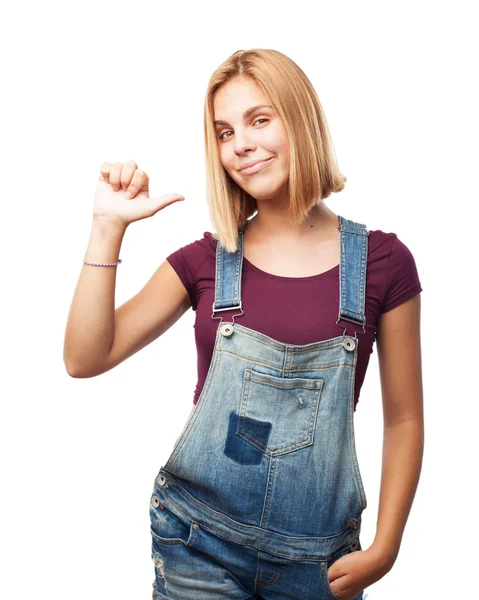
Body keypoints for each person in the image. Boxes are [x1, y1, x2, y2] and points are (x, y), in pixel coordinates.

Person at [64, 49, 424, 600]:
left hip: (319, 560)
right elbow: (85, 358)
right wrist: (106, 226)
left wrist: (386, 547)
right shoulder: (206, 261)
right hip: (198, 544)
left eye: (260, 120)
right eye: (224, 132)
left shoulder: (383, 263)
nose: (241, 144)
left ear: (299, 118)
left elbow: (404, 419)